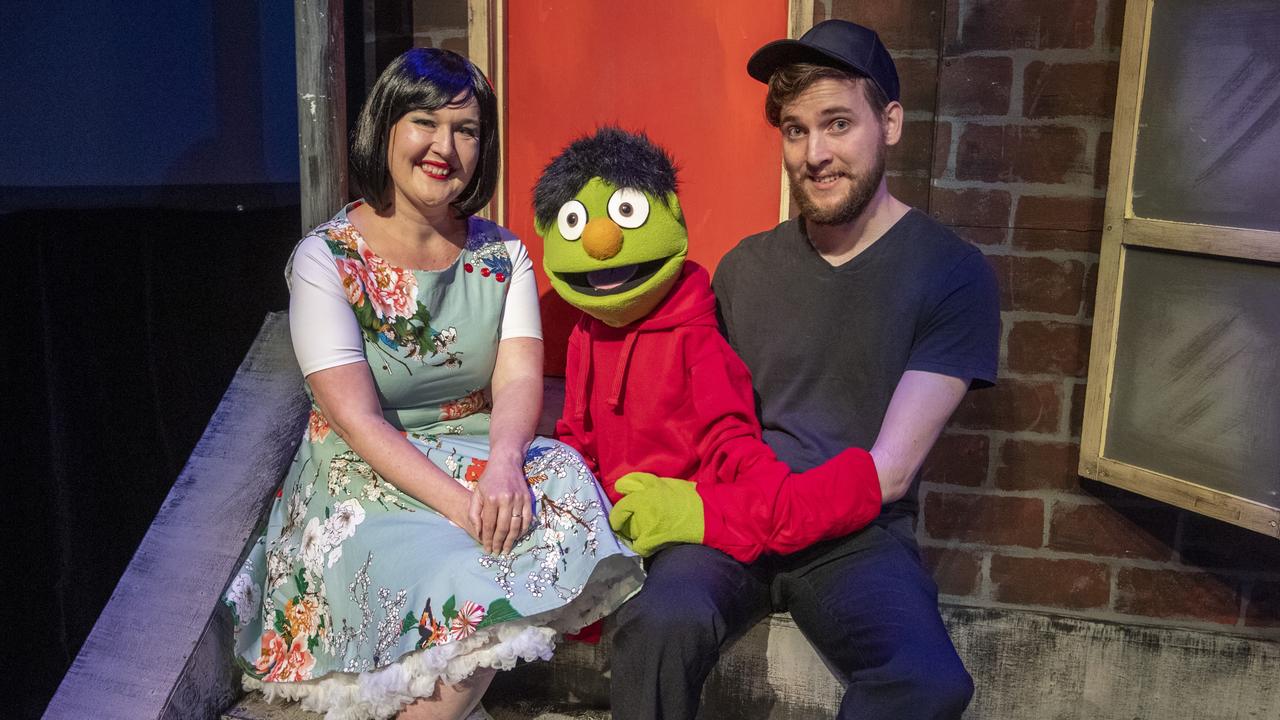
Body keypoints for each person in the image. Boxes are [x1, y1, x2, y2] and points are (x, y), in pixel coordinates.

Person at [222, 48, 643, 720]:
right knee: (465, 578)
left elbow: (518, 380)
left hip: (480, 455)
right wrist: (462, 506)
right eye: (425, 122)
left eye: (467, 130)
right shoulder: (325, 260)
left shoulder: (503, 255)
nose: (445, 146)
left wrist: (506, 465)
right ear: (385, 130)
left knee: (558, 477)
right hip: (363, 476)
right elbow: (358, 421)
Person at [608, 20, 999, 720]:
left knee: (928, 682)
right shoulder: (744, 268)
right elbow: (709, 422)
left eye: (838, 124)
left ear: (890, 123)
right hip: (735, 516)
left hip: (856, 534)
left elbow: (890, 472)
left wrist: (763, 514)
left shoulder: (950, 272)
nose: (815, 153)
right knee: (656, 626)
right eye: (795, 130)